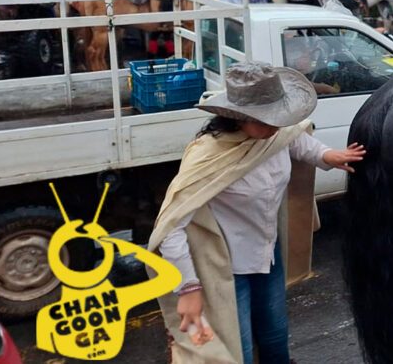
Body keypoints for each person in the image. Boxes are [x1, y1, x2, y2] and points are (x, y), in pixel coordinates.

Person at [151, 62, 365, 364]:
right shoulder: (208, 155)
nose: (276, 126)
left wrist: (328, 155)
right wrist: (188, 288)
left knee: (275, 337)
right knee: (238, 347)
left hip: (267, 255)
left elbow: (299, 142)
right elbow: (171, 227)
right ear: (238, 117)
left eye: (279, 116)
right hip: (226, 266)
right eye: (267, 119)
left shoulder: (275, 135)